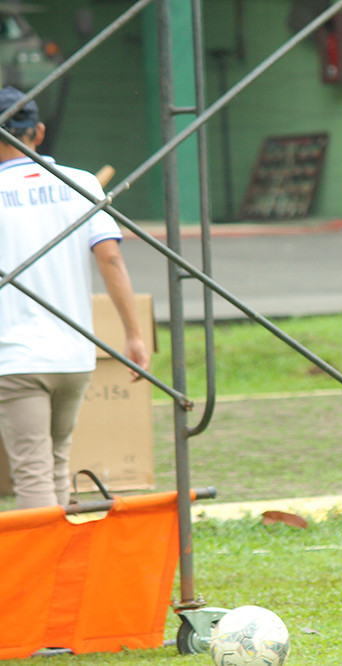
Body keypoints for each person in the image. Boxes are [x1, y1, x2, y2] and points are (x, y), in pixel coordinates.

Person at [0, 86, 150, 509]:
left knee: (31, 473)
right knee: (56, 465)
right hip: (75, 357)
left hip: (15, 358)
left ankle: (41, 574)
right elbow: (111, 261)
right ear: (39, 132)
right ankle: (64, 570)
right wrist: (134, 335)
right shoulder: (80, 182)